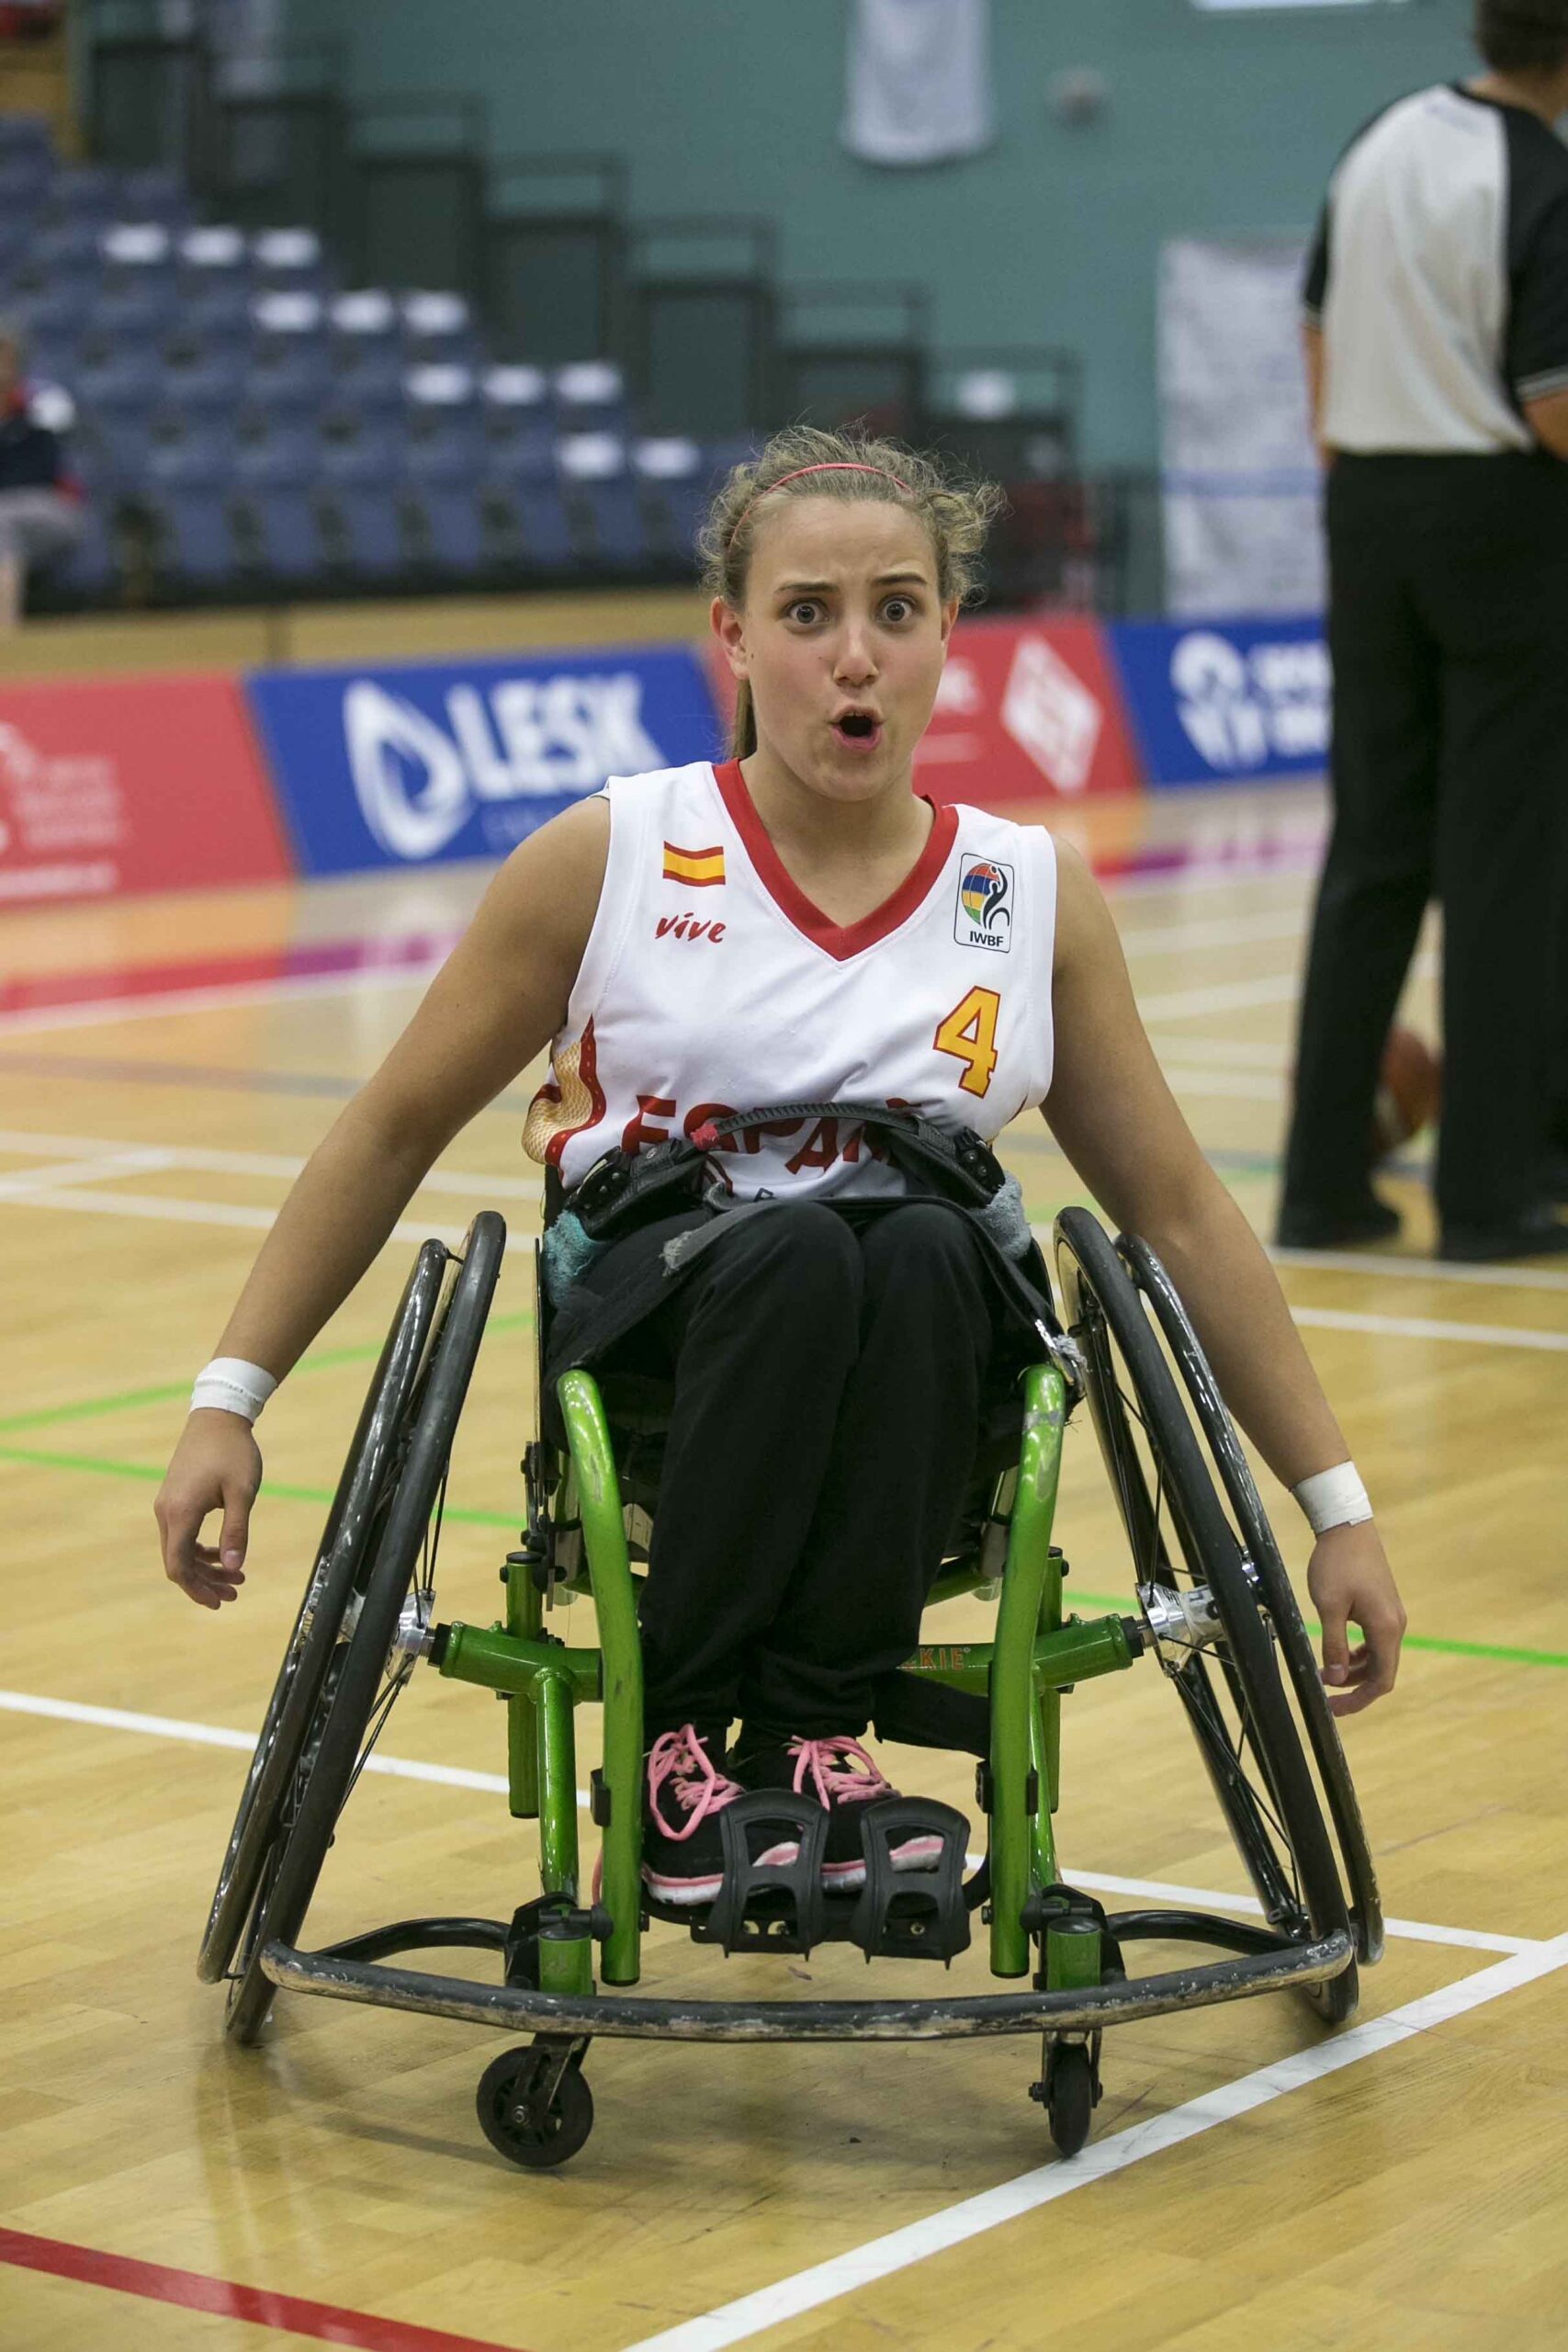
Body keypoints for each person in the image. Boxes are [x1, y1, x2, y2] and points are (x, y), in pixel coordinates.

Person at [154, 425, 1406, 1906]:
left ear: (951, 631)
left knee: (934, 1242)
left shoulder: (1025, 894)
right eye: (806, 614)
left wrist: (1333, 1510)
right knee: (805, 1247)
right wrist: (228, 1402)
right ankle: (680, 1737)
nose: (851, 656)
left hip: (923, 1373)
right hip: (657, 1353)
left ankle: (817, 1729)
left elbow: (1181, 1215)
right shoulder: (610, 854)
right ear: (733, 636)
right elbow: (384, 1130)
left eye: (894, 608)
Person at [1279, 1, 1568, 1262]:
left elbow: (1313, 323)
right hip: (1500, 514)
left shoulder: (1380, 137)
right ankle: (1489, 1198)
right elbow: (1551, 399)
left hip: (1366, 503)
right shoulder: (1544, 175)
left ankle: (1316, 1185)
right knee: (1502, 867)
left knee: (1371, 854)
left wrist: (1347, 461)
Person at [0, 315, 84, 631]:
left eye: (5, 359)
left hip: (51, 508)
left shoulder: (44, 401)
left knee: (1, 520)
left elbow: (36, 469)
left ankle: (5, 630)